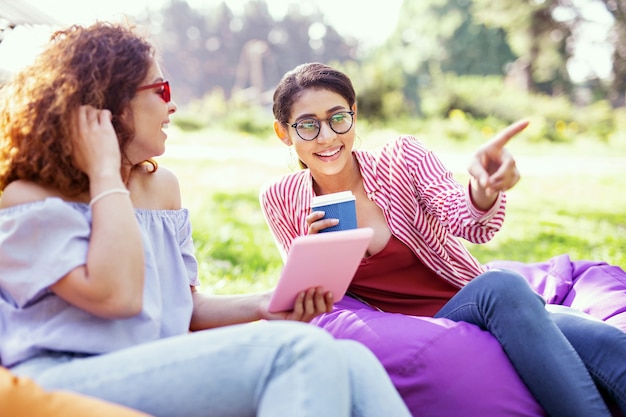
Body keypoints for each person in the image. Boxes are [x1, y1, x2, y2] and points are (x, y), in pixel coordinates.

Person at [0, 24, 412, 417]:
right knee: (297, 352)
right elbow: (117, 297)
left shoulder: (161, 189)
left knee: (351, 358)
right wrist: (106, 174)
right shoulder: (31, 199)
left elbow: (185, 307)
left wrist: (265, 305)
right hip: (64, 378)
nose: (173, 104)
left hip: (156, 363)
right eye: (161, 90)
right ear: (110, 104)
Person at [260, 62, 626, 417]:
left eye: (337, 118)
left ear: (354, 114)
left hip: (473, 303)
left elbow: (470, 223)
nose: (327, 137)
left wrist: (483, 189)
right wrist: (314, 255)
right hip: (417, 333)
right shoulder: (281, 198)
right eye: (307, 126)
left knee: (607, 345)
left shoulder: (401, 159)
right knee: (504, 287)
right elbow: (313, 301)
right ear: (284, 133)